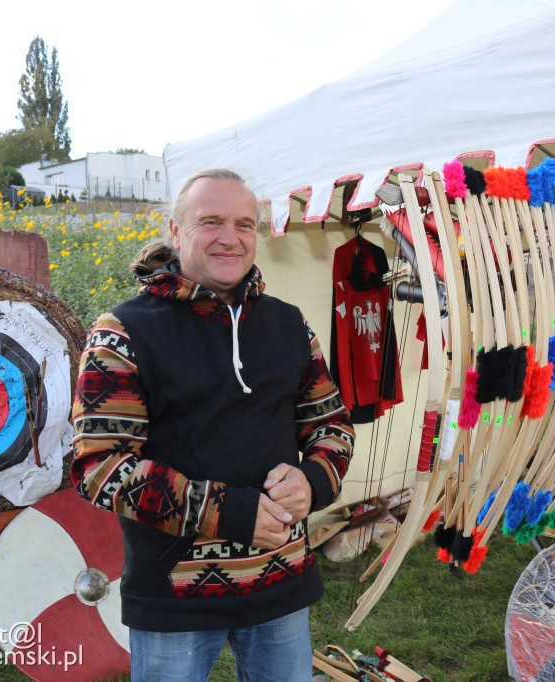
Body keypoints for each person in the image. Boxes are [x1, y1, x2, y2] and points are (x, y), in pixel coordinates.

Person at [70, 168, 354, 681]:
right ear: (176, 232)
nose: (231, 237)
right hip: (174, 595)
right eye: (211, 221)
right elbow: (99, 466)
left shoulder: (289, 324)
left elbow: (331, 426)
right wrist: (229, 513)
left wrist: (312, 481)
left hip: (281, 585)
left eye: (245, 224)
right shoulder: (124, 330)